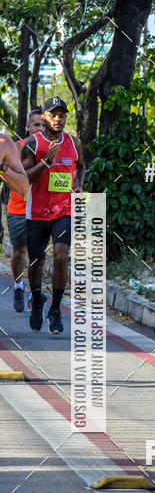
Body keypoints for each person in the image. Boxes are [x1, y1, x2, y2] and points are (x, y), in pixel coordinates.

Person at [22, 97, 85, 333]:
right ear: (43, 118)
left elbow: (80, 166)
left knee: (61, 255)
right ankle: (38, 301)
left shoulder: (74, 142)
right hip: (37, 211)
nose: (58, 119)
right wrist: (47, 159)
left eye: (62, 115)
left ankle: (56, 309)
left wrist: (78, 185)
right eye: (53, 115)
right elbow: (24, 177)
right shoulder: (32, 143)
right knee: (36, 261)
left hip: (64, 210)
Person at [6, 108, 43, 312]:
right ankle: (19, 286)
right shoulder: (15, 147)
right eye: (36, 124)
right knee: (20, 251)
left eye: (43, 125)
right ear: (28, 126)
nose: (39, 129)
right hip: (18, 208)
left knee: (38, 255)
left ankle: (35, 292)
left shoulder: (51, 148)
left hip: (41, 211)